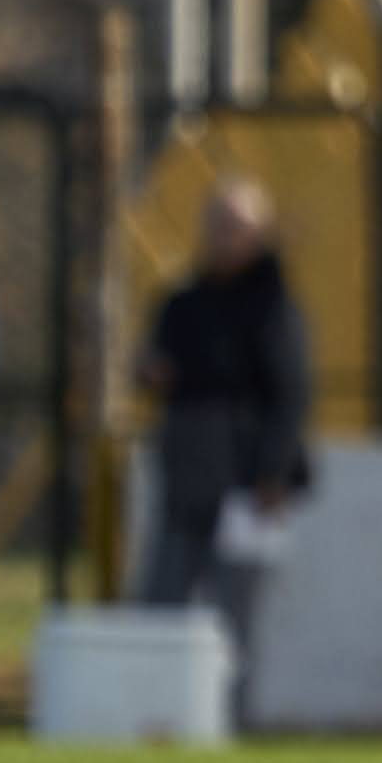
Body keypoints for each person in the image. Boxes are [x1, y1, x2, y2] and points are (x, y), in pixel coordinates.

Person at [131, 179, 311, 663]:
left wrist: (273, 472)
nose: (224, 237)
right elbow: (159, 368)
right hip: (187, 479)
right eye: (217, 225)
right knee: (161, 601)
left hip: (247, 487)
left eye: (237, 227)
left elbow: (290, 394)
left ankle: (230, 706)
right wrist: (150, 372)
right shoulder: (183, 304)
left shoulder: (273, 308)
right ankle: (159, 700)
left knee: (236, 620)